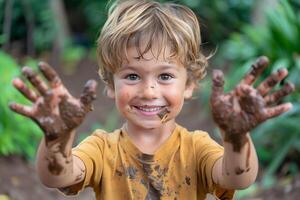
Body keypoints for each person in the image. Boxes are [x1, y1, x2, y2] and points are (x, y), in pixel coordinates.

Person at [9, 0, 295, 199]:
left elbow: (237, 179)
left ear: (190, 84)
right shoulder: (102, 148)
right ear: (111, 84)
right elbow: (57, 178)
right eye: (132, 76)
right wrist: (57, 140)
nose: (148, 91)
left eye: (165, 77)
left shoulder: (196, 148)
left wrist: (237, 138)